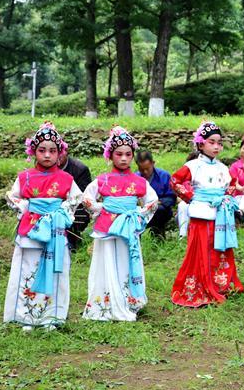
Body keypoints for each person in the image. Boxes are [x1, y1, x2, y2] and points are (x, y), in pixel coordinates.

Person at [4, 122, 83, 331]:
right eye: (42, 150)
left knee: (57, 272)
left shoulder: (67, 178)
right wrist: (27, 206)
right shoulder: (25, 177)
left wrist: (61, 211)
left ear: (60, 153)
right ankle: (26, 317)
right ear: (33, 152)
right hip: (31, 230)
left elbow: (76, 198)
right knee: (27, 271)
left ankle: (52, 317)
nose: (47, 155)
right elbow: (12, 197)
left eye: (52, 150)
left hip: (56, 230)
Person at [82, 127, 159, 321]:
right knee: (105, 260)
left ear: (133, 156)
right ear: (110, 155)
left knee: (127, 261)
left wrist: (137, 215)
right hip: (107, 228)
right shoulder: (102, 180)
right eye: (118, 154)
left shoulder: (139, 181)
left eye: (128, 154)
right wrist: (104, 209)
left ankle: (128, 301)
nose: (123, 158)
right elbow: (86, 199)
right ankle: (104, 303)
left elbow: (152, 201)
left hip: (128, 228)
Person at [170, 121, 244, 307]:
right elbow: (175, 181)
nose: (217, 146)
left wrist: (226, 198)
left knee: (220, 249)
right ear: (201, 144)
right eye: (212, 142)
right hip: (201, 214)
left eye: (219, 143)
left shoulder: (223, 168)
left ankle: (220, 283)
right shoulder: (193, 165)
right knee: (202, 249)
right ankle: (201, 284)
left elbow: (233, 183)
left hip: (220, 214)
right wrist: (192, 196)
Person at [135, 149, 176, 236]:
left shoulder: (164, 176)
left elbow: (172, 198)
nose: (145, 172)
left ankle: (158, 236)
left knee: (160, 210)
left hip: (160, 210)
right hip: (141, 210)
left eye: (147, 169)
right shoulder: (135, 178)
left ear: (153, 163)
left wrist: (158, 202)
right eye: (141, 170)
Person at [59, 150, 92, 252]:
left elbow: (83, 196)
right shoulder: (45, 169)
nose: (58, 156)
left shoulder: (80, 169)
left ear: (67, 151)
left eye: (61, 151)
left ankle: (72, 238)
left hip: (73, 204)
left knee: (82, 209)